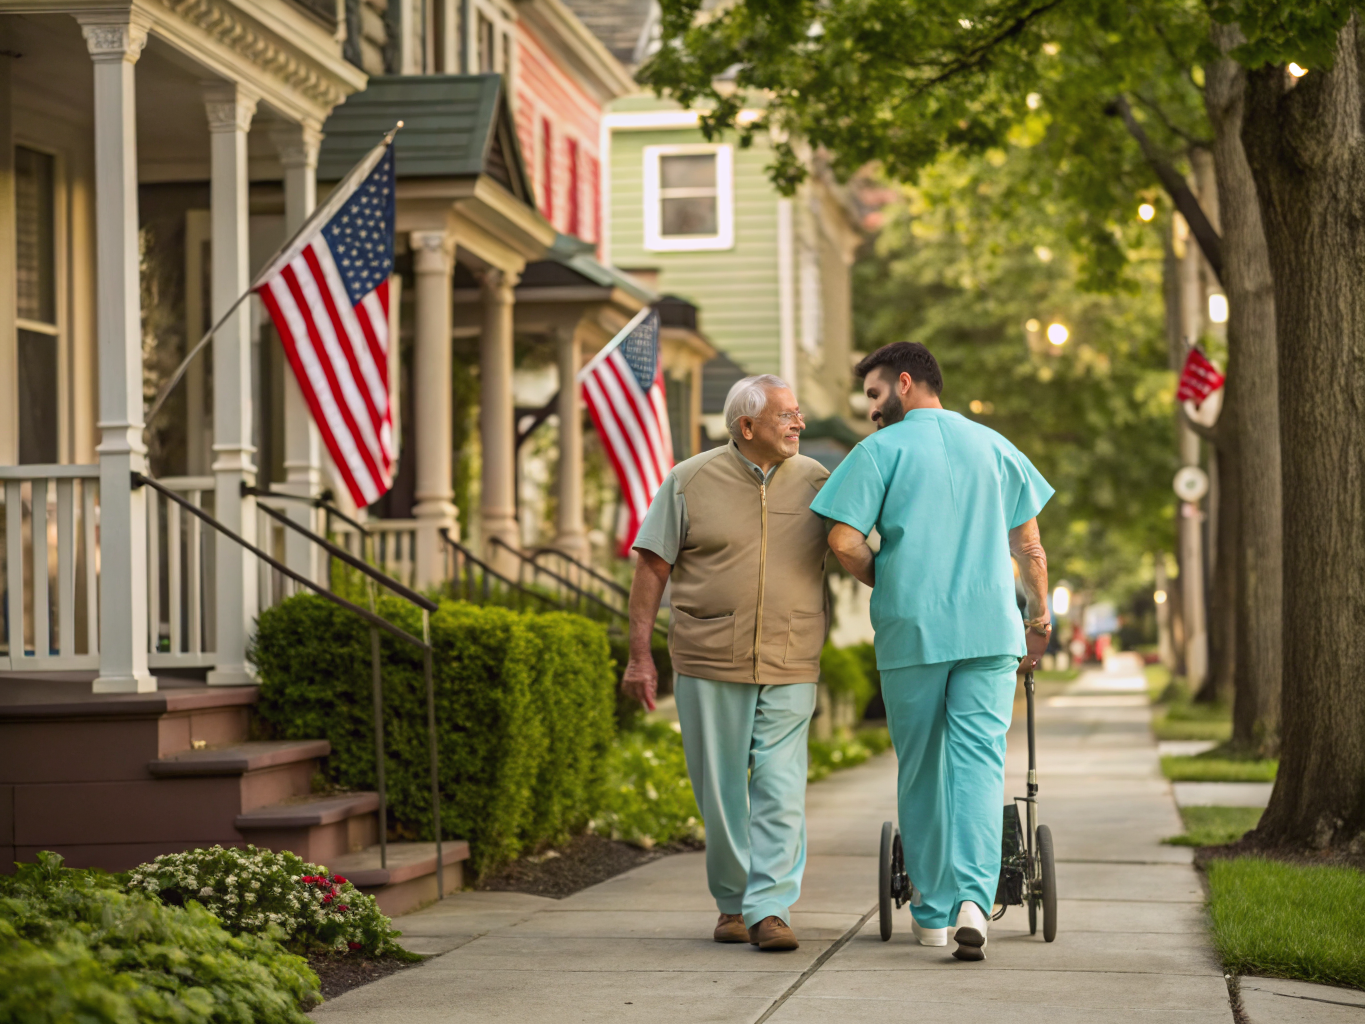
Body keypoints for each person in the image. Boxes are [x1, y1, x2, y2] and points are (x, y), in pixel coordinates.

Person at [810, 342, 1052, 962]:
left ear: (907, 384)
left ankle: (933, 911)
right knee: (978, 762)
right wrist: (1041, 613)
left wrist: (885, 578)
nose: (870, 411)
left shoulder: (878, 453)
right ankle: (977, 900)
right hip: (989, 630)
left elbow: (841, 541)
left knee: (920, 766)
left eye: (874, 395)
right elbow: (1029, 546)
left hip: (913, 630)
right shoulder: (997, 447)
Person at [622, 374, 830, 952]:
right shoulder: (688, 480)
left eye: (798, 412)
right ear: (747, 426)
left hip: (792, 654)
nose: (798, 423)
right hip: (708, 655)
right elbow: (651, 569)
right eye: (786, 414)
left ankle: (769, 908)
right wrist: (640, 656)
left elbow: (855, 548)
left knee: (781, 787)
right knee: (721, 793)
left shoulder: (819, 480)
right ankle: (732, 903)